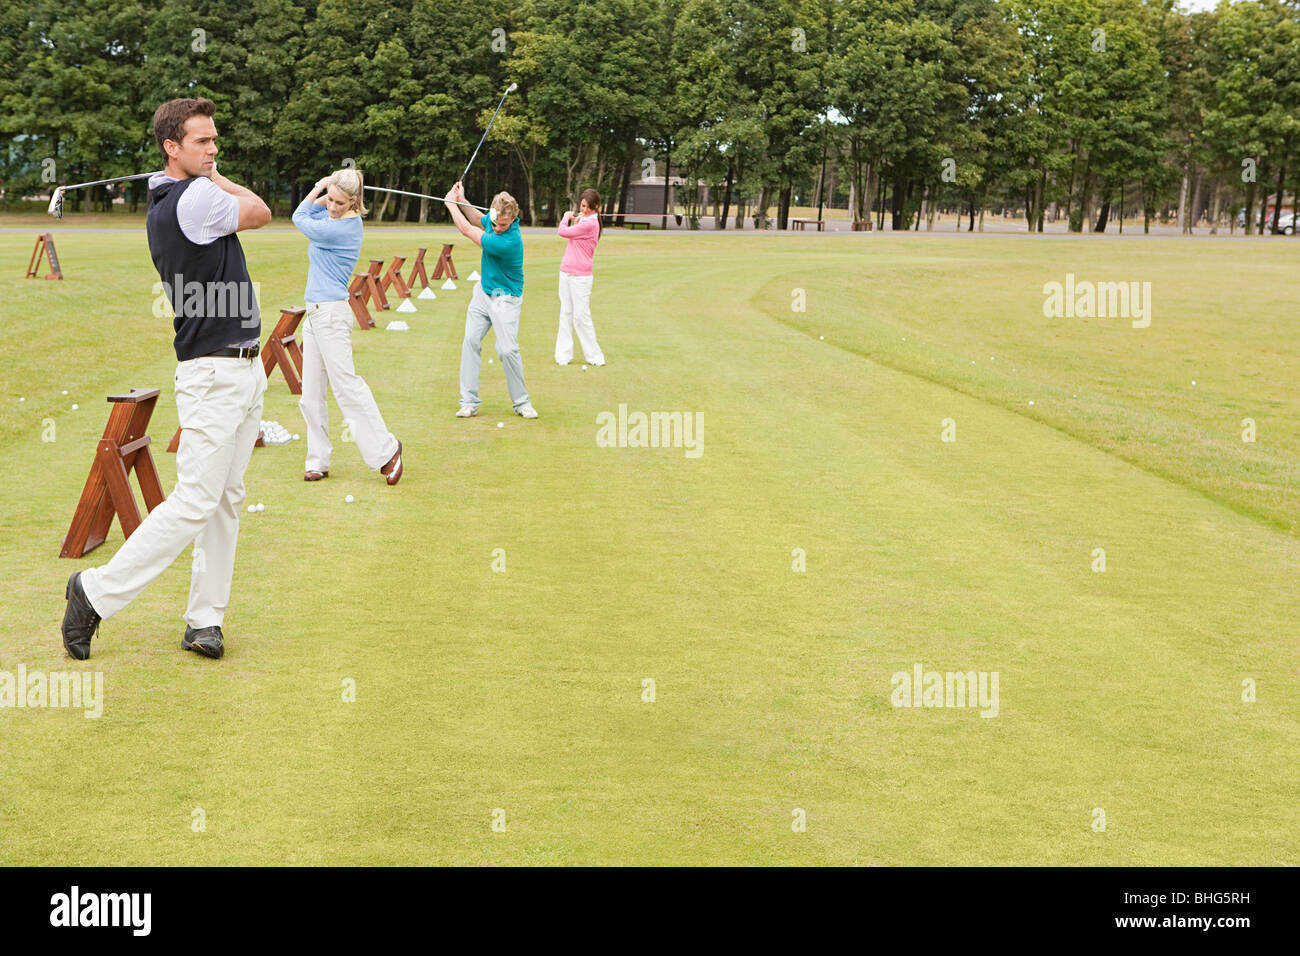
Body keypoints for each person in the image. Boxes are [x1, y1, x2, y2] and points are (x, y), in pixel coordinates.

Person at [60, 97, 271, 661]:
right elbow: (261, 211)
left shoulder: (181, 192)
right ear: (170, 148)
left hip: (243, 368)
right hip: (215, 371)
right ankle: (93, 592)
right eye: (202, 142)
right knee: (196, 500)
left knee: (226, 498)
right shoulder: (196, 196)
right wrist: (216, 176)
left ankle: (205, 620)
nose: (213, 149)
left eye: (215, 140)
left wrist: (206, 170)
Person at [292, 168, 403, 485]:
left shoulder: (345, 229)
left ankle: (387, 450)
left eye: (339, 202)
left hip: (332, 315)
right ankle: (317, 460)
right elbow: (316, 211)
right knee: (310, 393)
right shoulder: (332, 217)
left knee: (346, 387)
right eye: (330, 200)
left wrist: (318, 187)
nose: (331, 206)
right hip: (314, 313)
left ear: (354, 201)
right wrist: (326, 193)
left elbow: (300, 216)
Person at [442, 181, 537, 419]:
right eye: (494, 222)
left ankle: (522, 402)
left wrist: (450, 205)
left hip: (506, 299)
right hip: (482, 293)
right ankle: (468, 402)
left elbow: (466, 229)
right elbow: (477, 218)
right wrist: (461, 199)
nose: (496, 227)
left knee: (506, 350)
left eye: (502, 224)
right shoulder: (494, 221)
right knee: (470, 340)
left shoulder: (509, 240)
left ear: (513, 218)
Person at [555, 188, 606, 366]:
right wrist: (577, 218)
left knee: (581, 316)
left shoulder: (591, 224)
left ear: (597, 207)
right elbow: (578, 224)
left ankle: (594, 356)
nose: (585, 210)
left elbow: (563, 231)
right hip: (566, 271)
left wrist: (566, 217)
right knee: (566, 313)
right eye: (583, 206)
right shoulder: (585, 219)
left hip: (581, 277)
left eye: (589, 207)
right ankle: (563, 355)